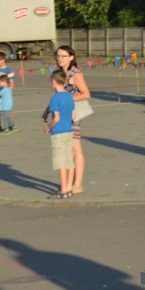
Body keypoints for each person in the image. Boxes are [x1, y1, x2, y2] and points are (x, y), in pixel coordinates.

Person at [55, 46, 91, 196]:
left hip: (72, 115)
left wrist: (67, 99)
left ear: (71, 57)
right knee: (69, 149)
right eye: (58, 56)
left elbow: (86, 94)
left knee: (76, 149)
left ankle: (77, 184)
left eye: (63, 56)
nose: (60, 59)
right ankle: (71, 183)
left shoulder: (75, 74)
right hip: (62, 115)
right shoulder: (60, 74)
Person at [45, 70, 76, 199]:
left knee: (60, 163)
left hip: (58, 133)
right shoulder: (69, 96)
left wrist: (48, 127)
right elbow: (73, 115)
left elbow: (56, 118)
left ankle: (63, 190)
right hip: (69, 131)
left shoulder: (55, 98)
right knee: (69, 161)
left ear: (54, 82)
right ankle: (69, 189)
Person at [0, 51, 16, 132]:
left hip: (4, 94)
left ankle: (10, 124)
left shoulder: (8, 70)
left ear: (3, 60)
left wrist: (9, 91)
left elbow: (11, 82)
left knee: (6, 111)